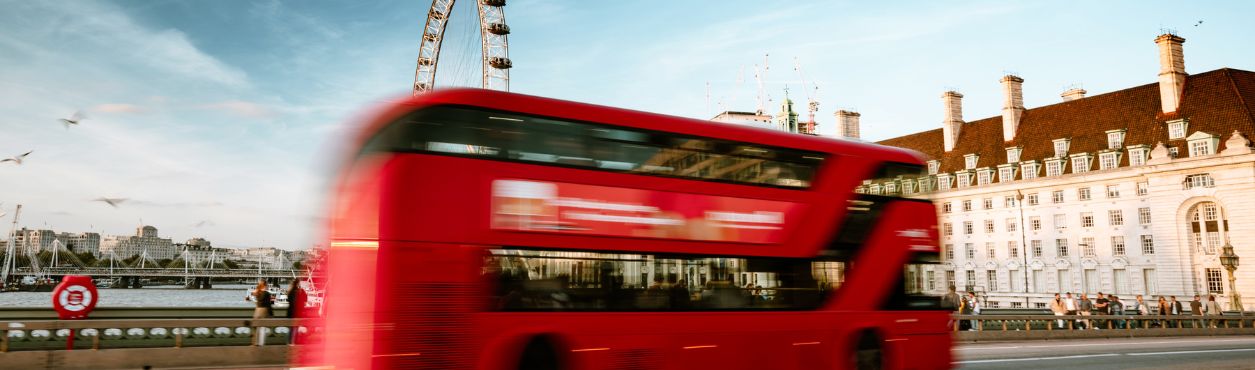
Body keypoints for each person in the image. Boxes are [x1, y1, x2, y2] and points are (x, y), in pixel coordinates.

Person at [286, 280, 307, 344]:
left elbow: (289, 300)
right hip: (298, 312)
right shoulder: (301, 291)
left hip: (291, 312)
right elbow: (305, 300)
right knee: (296, 328)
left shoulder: (290, 291)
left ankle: (289, 342)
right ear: (298, 284)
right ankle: (294, 342)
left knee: (290, 328)